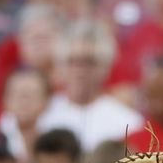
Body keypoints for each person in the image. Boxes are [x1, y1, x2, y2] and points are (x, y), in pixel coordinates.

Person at [37, 19, 142, 152]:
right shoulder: (42, 113)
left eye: (89, 62)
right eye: (72, 61)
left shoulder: (127, 122)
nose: (79, 70)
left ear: (105, 67)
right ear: (60, 66)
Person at [0, 68, 50, 163]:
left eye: (32, 94)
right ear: (5, 100)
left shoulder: (55, 143)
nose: (24, 101)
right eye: (18, 94)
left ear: (46, 102)